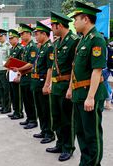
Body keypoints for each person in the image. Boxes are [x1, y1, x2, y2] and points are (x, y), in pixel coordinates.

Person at [67, 2, 108, 165]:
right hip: (79, 93)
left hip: (89, 94)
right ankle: (85, 162)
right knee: (81, 132)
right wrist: (71, 88)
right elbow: (76, 68)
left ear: (85, 19)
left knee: (92, 134)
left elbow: (97, 71)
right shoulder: (83, 40)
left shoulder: (96, 39)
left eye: (76, 19)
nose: (74, 23)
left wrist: (91, 97)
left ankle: (93, 163)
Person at [46, 11, 79, 162]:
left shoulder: (73, 41)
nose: (51, 28)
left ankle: (68, 147)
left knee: (67, 119)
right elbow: (54, 65)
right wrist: (51, 83)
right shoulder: (58, 42)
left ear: (59, 25)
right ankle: (60, 143)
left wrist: (71, 87)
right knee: (57, 117)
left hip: (66, 85)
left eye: (53, 25)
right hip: (57, 85)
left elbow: (75, 67)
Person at [32, 21, 55, 144]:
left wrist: (47, 84)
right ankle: (43, 129)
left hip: (43, 81)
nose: (35, 37)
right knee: (40, 108)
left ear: (44, 34)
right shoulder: (42, 47)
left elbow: (50, 68)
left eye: (37, 34)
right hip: (37, 81)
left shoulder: (49, 47)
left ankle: (49, 133)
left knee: (46, 109)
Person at [17, 23, 38, 129]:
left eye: (22, 34)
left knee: (30, 100)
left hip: (30, 76)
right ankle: (29, 118)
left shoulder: (32, 47)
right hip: (24, 76)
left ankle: (33, 120)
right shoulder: (26, 47)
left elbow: (32, 63)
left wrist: (19, 69)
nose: (21, 36)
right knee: (25, 100)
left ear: (28, 34)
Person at [7, 29, 24, 120]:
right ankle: (15, 111)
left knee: (18, 95)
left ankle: (19, 112)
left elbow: (21, 63)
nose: (10, 40)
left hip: (17, 73)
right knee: (13, 94)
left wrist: (19, 75)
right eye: (9, 38)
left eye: (12, 38)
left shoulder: (20, 48)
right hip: (11, 73)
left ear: (17, 38)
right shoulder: (11, 49)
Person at [0, 29, 11, 114]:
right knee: (1, 89)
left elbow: (9, 58)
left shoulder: (7, 46)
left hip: (4, 70)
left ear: (5, 36)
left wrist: (8, 70)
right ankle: (3, 105)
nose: (0, 38)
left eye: (1, 36)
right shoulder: (0, 46)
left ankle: (7, 107)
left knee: (6, 90)